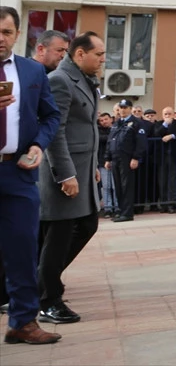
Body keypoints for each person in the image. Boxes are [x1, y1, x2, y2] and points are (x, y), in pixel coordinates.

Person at [0, 6, 63, 345]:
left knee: (24, 247)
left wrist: (39, 144)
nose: (0, 38)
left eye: (6, 32)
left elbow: (51, 116)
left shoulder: (32, 72)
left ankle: (22, 322)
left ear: (17, 34)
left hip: (17, 171)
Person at [37, 32, 105, 326]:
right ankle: (48, 299)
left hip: (81, 171)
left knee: (84, 225)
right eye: (98, 55)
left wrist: (92, 165)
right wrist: (66, 174)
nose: (103, 60)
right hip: (63, 176)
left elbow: (85, 128)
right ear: (80, 54)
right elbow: (56, 131)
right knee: (60, 235)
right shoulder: (60, 81)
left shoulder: (83, 80)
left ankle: (41, 283)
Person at [104, 99, 145, 222]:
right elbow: (110, 141)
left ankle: (127, 213)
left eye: (125, 107)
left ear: (130, 109)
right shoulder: (117, 123)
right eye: (121, 107)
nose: (122, 110)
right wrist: (107, 158)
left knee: (126, 186)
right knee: (118, 186)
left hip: (127, 158)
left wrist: (136, 157)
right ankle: (121, 211)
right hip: (115, 158)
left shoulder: (136, 123)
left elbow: (141, 142)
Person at [154, 107, 176, 213]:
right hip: (162, 157)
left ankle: (171, 204)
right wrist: (165, 124)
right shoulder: (159, 124)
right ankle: (163, 205)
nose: (167, 115)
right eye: (165, 114)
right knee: (162, 181)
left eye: (169, 114)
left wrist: (172, 136)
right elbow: (157, 133)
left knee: (173, 181)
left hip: (174, 156)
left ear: (173, 114)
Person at [97, 113, 115, 217]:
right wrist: (112, 137)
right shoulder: (98, 131)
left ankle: (117, 207)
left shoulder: (115, 128)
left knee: (115, 186)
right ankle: (108, 208)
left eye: (106, 119)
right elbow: (102, 139)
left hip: (116, 161)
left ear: (111, 119)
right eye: (102, 120)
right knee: (106, 186)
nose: (104, 121)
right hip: (102, 161)